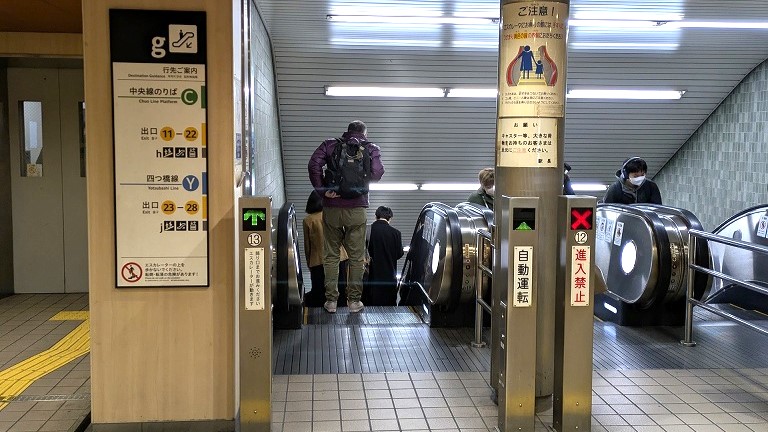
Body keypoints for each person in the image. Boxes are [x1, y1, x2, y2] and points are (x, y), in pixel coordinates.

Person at [308, 120, 385, 314]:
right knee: (356, 258)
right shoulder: (370, 147)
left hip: (332, 208)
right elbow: (377, 173)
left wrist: (322, 191)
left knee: (331, 255)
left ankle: (331, 301)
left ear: (348, 131)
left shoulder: (330, 144)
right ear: (364, 133)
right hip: (357, 209)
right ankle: (354, 302)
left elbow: (313, 164)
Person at [302, 191, 349, 307]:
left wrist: (309, 262)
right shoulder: (335, 215)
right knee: (340, 289)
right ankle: (341, 315)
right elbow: (345, 238)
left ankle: (320, 319)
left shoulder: (308, 220)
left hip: (318, 261)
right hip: (339, 258)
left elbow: (308, 245)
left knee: (319, 292)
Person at [363, 206, 404, 306]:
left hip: (373, 274)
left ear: (376, 216)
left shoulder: (368, 230)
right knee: (389, 303)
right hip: (390, 275)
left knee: (372, 302)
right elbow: (399, 253)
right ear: (390, 218)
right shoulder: (396, 233)